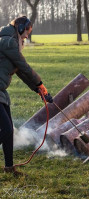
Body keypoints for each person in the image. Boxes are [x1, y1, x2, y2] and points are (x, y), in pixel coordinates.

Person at [0, 16, 53, 176]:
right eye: (27, 33)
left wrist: (38, 90)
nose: (27, 37)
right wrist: (40, 83)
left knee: (8, 131)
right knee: (7, 130)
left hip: (1, 90)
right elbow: (24, 66)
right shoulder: (8, 42)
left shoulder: (11, 42)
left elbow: (21, 72)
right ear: (21, 27)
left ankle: (9, 168)